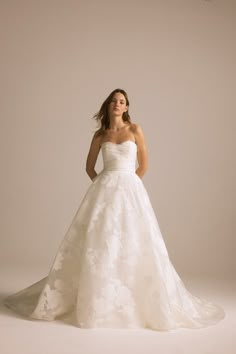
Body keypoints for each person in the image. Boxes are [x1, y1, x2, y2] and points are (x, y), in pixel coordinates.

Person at [4, 88, 225, 331]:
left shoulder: (135, 130)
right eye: (114, 101)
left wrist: (130, 185)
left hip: (131, 189)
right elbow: (89, 167)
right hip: (104, 191)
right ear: (108, 106)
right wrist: (105, 186)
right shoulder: (100, 135)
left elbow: (144, 164)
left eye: (122, 102)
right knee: (101, 242)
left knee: (135, 241)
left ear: (127, 107)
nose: (118, 105)